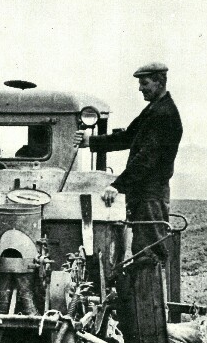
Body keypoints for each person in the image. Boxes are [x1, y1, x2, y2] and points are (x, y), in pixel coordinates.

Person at [76, 63, 182, 264]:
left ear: (159, 83)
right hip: (144, 194)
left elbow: (146, 159)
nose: (140, 88)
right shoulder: (154, 110)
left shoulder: (164, 114)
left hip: (151, 195)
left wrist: (117, 186)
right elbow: (128, 137)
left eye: (145, 83)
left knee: (149, 255)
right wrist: (90, 141)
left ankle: (150, 295)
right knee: (143, 251)